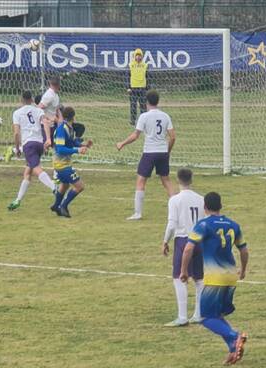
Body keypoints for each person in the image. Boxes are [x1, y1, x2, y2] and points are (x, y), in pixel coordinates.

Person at [180, 192, 249, 365]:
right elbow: (244, 250)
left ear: (205, 207)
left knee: (205, 317)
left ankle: (236, 336)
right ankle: (234, 347)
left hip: (215, 277)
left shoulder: (204, 224)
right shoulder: (234, 224)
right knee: (217, 315)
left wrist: (183, 271)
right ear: (221, 206)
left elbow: (188, 249)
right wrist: (243, 270)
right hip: (231, 276)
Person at [116, 90, 176, 220]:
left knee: (141, 181)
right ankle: (177, 211)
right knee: (166, 181)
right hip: (162, 152)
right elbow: (173, 137)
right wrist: (167, 151)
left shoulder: (144, 116)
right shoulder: (165, 116)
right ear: (158, 101)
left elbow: (135, 135)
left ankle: (138, 213)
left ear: (146, 102)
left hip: (149, 152)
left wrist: (122, 143)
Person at [162, 168, 204, 327]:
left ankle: (182, 316)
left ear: (178, 180)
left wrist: (165, 240)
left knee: (179, 278)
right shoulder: (201, 199)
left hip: (183, 241)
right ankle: (198, 314)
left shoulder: (175, 200)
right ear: (191, 180)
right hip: (199, 241)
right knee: (199, 279)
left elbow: (172, 224)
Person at [7, 91, 57, 211]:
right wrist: (48, 139)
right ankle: (17, 200)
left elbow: (16, 133)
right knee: (27, 173)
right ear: (32, 99)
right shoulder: (38, 110)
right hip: (39, 144)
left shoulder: (17, 113)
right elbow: (45, 122)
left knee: (36, 170)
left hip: (28, 145)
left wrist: (18, 148)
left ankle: (55, 188)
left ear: (21, 99)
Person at [50, 106, 92, 218]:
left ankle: (56, 205)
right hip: (61, 165)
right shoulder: (61, 130)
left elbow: (71, 142)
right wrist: (78, 150)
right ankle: (63, 206)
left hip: (63, 164)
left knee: (64, 185)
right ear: (73, 117)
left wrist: (83, 145)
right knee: (79, 186)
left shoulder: (69, 128)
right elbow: (60, 149)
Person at [38, 76, 63, 148]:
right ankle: (15, 150)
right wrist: (48, 117)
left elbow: (57, 108)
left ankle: (58, 158)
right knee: (42, 146)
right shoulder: (49, 95)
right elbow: (39, 108)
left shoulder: (55, 95)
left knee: (57, 143)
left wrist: (60, 119)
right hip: (45, 126)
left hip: (53, 125)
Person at [127, 48, 149, 126]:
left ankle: (144, 121)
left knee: (143, 106)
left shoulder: (145, 65)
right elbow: (128, 76)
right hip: (133, 88)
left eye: (140, 55)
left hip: (142, 88)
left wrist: (147, 88)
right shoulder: (130, 65)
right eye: (137, 55)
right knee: (133, 105)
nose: (138, 57)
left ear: (142, 56)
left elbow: (148, 77)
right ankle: (133, 121)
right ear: (134, 56)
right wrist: (128, 87)